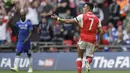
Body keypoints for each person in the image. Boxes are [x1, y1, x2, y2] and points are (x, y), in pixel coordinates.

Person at [51, 3, 104, 73]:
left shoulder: (82, 16)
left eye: (84, 7)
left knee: (79, 57)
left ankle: (79, 72)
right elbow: (102, 31)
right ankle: (87, 61)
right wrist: (99, 41)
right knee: (89, 57)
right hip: (92, 40)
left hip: (83, 38)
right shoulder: (97, 19)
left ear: (88, 8)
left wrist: (58, 19)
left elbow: (68, 21)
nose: (83, 9)